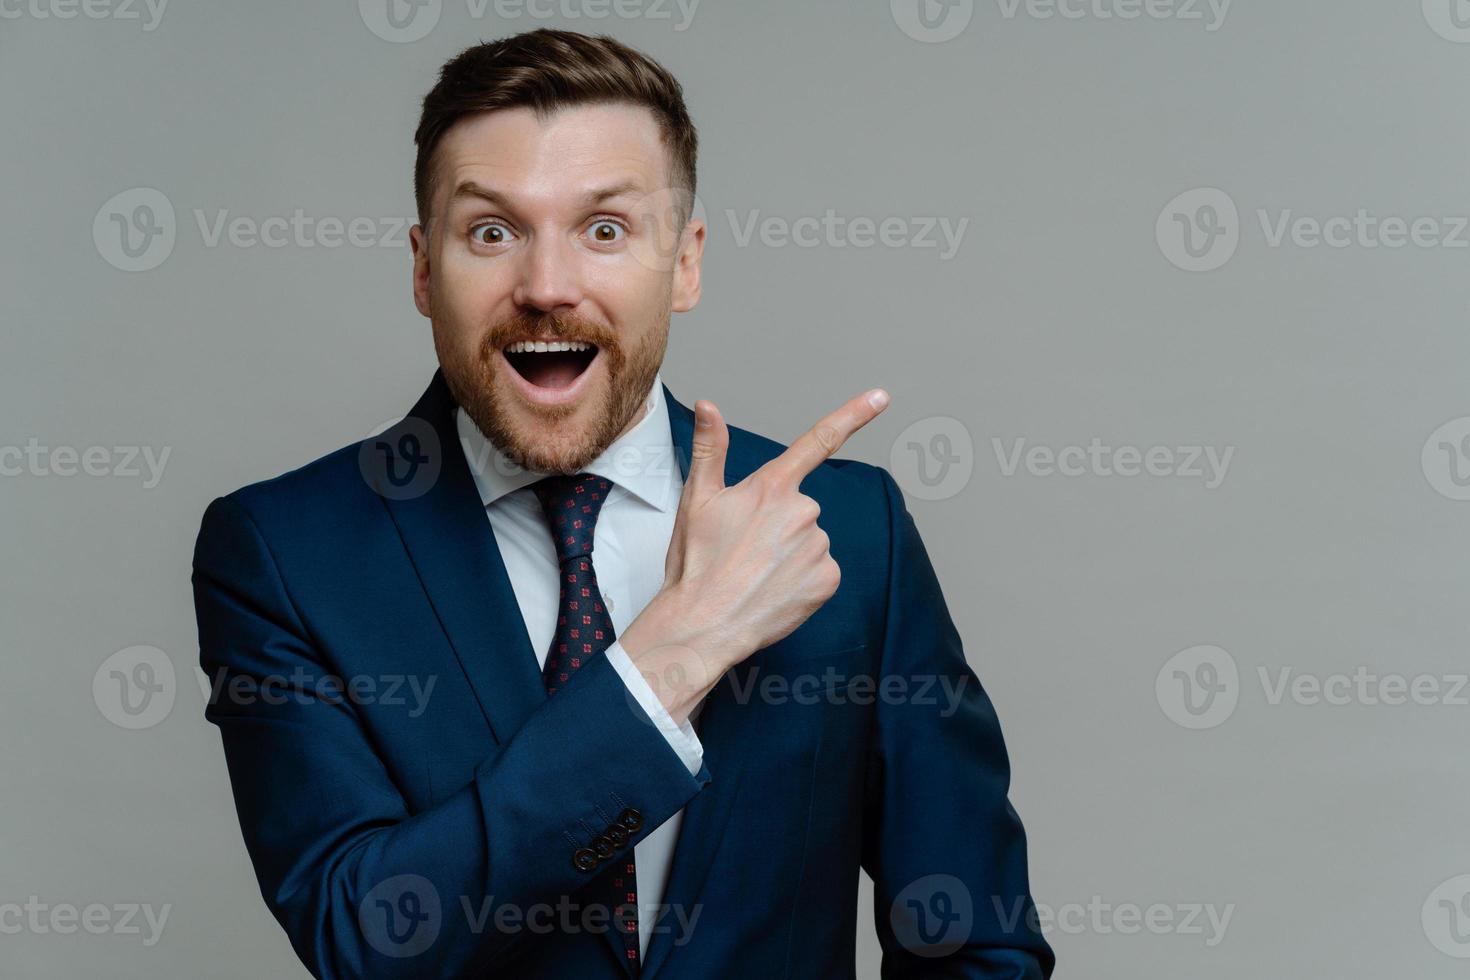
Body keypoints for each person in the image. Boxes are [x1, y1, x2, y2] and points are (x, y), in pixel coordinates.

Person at [192, 28, 1053, 979]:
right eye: (491, 231)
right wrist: (671, 658)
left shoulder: (847, 533)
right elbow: (362, 934)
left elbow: (974, 943)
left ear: (683, 263)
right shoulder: (282, 552)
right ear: (424, 270)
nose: (547, 287)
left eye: (605, 230)